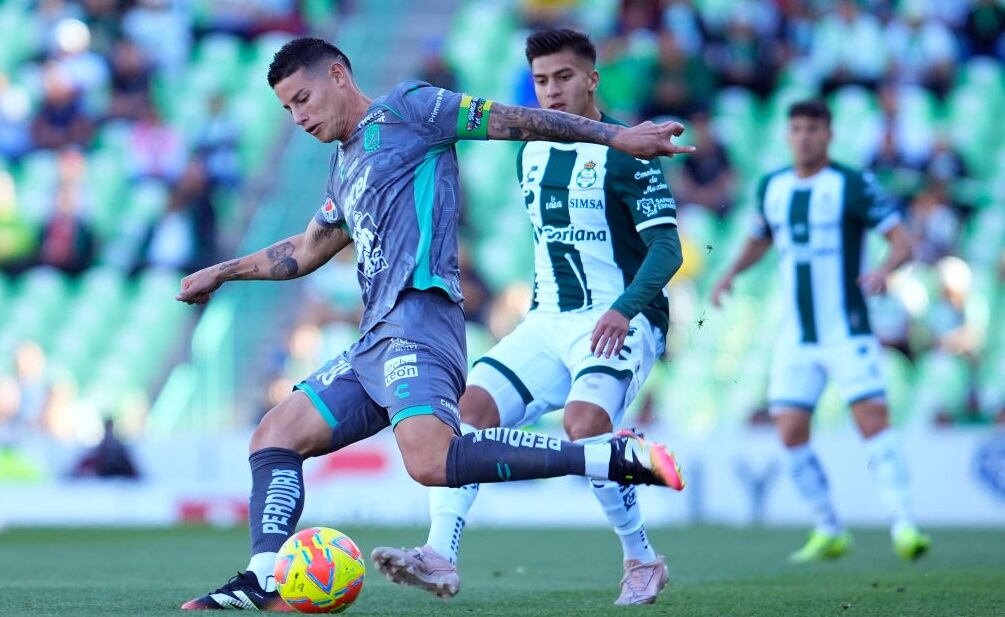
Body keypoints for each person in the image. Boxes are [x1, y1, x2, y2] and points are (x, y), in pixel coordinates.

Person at [176, 37, 694, 611]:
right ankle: (264, 578)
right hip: (375, 338)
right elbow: (305, 249)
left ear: (339, 75)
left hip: (421, 322)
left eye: (303, 98)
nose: (298, 116)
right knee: (274, 434)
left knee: (430, 461)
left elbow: (510, 120)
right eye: (286, 108)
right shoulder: (344, 163)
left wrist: (613, 136)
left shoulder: (412, 109)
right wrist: (222, 272)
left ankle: (606, 459)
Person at [371, 28, 683, 606]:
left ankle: (641, 558)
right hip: (546, 323)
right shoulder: (530, 152)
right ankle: (439, 554)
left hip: (618, 320)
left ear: (592, 79)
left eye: (564, 77)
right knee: (465, 414)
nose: (552, 90)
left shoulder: (628, 153)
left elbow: (668, 250)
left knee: (584, 426)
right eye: (541, 81)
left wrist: (623, 310)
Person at [711, 100, 930, 563]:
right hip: (796, 334)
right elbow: (759, 238)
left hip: (847, 329)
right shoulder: (773, 186)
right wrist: (730, 272)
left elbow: (902, 242)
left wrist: (884, 270)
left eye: (813, 128)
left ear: (829, 135)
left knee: (872, 420)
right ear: (787, 135)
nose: (805, 136)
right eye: (797, 128)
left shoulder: (852, 183)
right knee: (789, 429)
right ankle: (829, 528)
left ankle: (904, 525)